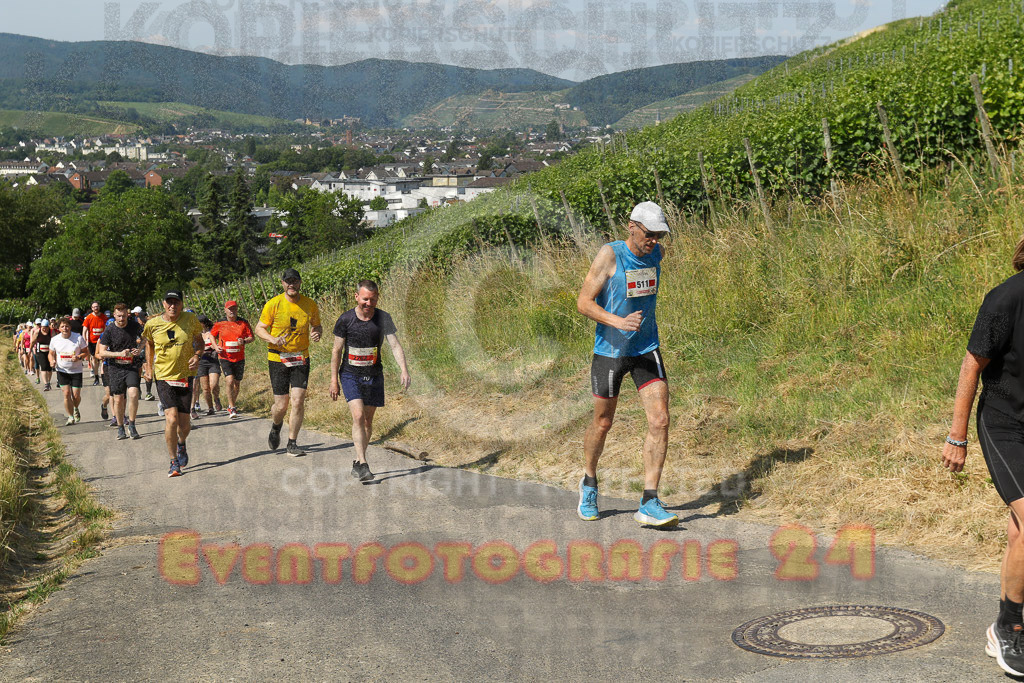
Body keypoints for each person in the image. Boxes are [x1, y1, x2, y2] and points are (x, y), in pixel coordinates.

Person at [943, 240, 1024, 677]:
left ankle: (1008, 620)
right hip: (1005, 423)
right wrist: (956, 437)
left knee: (1021, 532)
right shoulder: (1006, 297)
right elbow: (972, 363)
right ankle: (1010, 626)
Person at [575, 201, 676, 527]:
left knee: (660, 419)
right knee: (603, 423)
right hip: (610, 351)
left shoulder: (657, 254)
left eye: (660, 235)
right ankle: (589, 482)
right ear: (631, 226)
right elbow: (583, 302)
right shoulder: (610, 255)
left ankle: (649, 500)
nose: (654, 241)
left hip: (646, 347)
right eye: (650, 234)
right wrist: (618, 321)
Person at [330, 280, 411, 482]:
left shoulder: (383, 318)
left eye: (373, 300)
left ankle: (358, 461)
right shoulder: (346, 319)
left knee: (367, 421)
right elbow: (337, 351)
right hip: (350, 374)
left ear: (377, 298)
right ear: (357, 297)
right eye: (365, 299)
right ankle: (364, 464)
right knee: (358, 415)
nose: (368, 303)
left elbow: (395, 345)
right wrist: (333, 380)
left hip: (374, 375)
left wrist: (404, 369)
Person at [255, 268, 322, 456]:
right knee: (281, 406)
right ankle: (276, 425)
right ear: (283, 284)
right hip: (278, 358)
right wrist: (272, 339)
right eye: (288, 281)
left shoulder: (309, 304)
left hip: (300, 357)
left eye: (295, 281)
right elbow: (259, 328)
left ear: (300, 282)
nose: (291, 284)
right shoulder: (274, 304)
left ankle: (292, 443)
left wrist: (317, 332)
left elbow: (317, 325)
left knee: (298, 400)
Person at [143, 290, 204, 477]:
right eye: (169, 302)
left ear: (181, 304)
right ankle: (173, 461)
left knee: (184, 425)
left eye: (176, 302)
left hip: (185, 375)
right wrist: (149, 367)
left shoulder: (190, 319)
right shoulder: (152, 324)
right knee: (171, 418)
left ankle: (181, 444)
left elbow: (199, 342)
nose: (172, 306)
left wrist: (197, 355)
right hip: (163, 376)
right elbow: (149, 344)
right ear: (163, 304)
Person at [96, 303, 144, 440]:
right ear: (114, 315)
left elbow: (146, 337)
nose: (122, 319)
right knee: (118, 399)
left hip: (132, 365)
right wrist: (119, 354)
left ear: (127, 315)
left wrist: (139, 348)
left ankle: (132, 425)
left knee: (133, 394)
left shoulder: (134, 326)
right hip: (115, 367)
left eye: (124, 316)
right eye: (119, 316)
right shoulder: (109, 330)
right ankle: (120, 427)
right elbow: (102, 352)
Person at [211, 300, 254, 419]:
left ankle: (231, 404)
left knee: (237, 383)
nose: (232, 311)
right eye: (230, 309)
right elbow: (211, 335)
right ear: (225, 310)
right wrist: (216, 347)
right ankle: (232, 407)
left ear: (237, 309)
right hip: (225, 356)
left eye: (234, 308)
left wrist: (244, 341)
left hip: (239, 357)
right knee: (229, 380)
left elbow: (251, 337)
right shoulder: (220, 323)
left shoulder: (243, 322)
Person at [49, 317, 89, 425]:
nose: (65, 328)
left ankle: (75, 408)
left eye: (67, 326)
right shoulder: (55, 340)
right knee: (66, 394)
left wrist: (79, 357)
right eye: (62, 326)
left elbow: (86, 352)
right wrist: (52, 361)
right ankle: (70, 417)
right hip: (62, 370)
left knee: (76, 396)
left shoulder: (78, 337)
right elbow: (51, 353)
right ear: (58, 328)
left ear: (70, 327)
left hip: (76, 370)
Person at [193, 314, 223, 417]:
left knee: (213, 385)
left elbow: (221, 341)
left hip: (213, 360)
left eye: (199, 323)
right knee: (205, 388)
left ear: (204, 323)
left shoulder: (212, 332)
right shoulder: (196, 334)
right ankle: (210, 408)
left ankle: (216, 398)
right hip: (201, 362)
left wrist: (216, 347)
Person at [82, 302, 108, 384]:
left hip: (102, 342)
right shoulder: (89, 317)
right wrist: (84, 341)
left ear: (99, 307)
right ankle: (96, 377)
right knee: (94, 359)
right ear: (92, 308)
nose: (96, 308)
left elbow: (108, 328)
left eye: (97, 307)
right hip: (92, 342)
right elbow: (84, 330)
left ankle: (104, 378)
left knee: (103, 359)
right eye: (94, 307)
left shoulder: (104, 317)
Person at [31, 318, 55, 391]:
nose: (44, 329)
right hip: (40, 352)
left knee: (49, 368)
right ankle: (46, 384)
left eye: (46, 328)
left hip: (49, 351)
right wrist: (30, 349)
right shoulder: (37, 332)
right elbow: (32, 341)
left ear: (48, 327)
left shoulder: (51, 332)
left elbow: (55, 341)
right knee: (43, 367)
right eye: (43, 328)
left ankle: (48, 382)